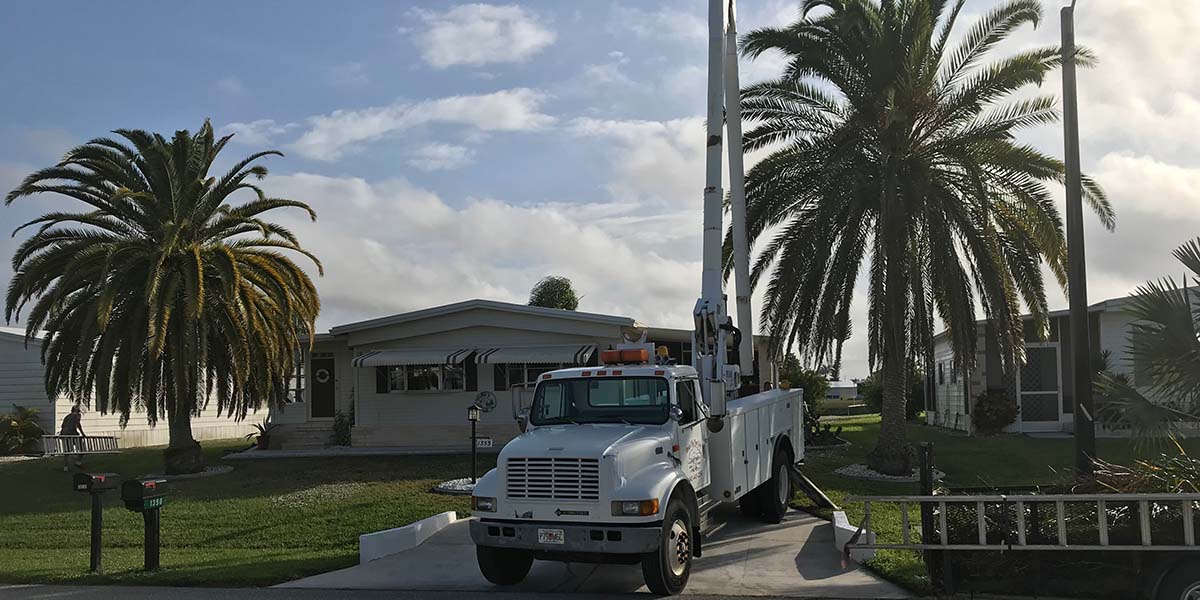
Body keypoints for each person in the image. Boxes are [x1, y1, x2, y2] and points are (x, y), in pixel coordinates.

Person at [59, 405, 85, 471]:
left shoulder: (67, 416)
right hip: (72, 433)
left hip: (64, 434)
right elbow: (78, 425)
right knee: (82, 448)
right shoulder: (77, 415)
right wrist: (82, 434)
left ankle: (66, 467)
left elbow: (63, 426)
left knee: (67, 451)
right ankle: (78, 462)